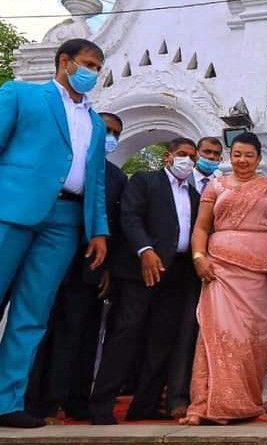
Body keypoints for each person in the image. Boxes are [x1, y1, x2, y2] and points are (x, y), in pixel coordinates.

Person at [0, 38, 109, 429]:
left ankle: (6, 401)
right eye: (88, 64)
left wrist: (98, 231)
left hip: (65, 220)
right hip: (11, 209)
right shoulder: (21, 94)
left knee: (32, 314)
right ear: (65, 61)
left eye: (98, 68)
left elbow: (95, 182)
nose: (93, 73)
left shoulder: (96, 121)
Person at [180, 132, 267, 425]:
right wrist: (199, 257)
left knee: (254, 340)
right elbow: (202, 227)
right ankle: (207, 404)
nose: (242, 160)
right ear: (231, 156)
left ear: (259, 158)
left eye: (249, 155)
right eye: (238, 155)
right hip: (221, 271)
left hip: (259, 274)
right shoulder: (216, 186)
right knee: (218, 335)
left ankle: (248, 404)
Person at [89, 138, 201, 425]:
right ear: (168, 157)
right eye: (182, 154)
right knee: (127, 334)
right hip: (142, 270)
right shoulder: (144, 180)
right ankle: (102, 404)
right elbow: (130, 217)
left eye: (192, 156)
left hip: (177, 272)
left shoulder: (193, 194)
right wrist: (145, 250)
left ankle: (146, 404)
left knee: (162, 339)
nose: (187, 160)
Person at [25, 112, 128, 423]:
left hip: (90, 268)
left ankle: (73, 399)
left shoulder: (116, 178)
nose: (109, 136)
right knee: (38, 331)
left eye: (115, 133)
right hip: (47, 263)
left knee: (81, 337)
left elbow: (116, 227)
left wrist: (108, 267)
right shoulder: (64, 165)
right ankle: (32, 399)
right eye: (105, 129)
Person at [166, 136, 225, 419]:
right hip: (175, 264)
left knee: (202, 334)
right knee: (173, 331)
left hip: (211, 268)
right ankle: (169, 393)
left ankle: (202, 393)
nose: (210, 157)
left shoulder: (223, 184)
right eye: (206, 152)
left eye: (216, 153)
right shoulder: (181, 181)